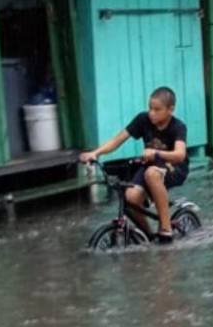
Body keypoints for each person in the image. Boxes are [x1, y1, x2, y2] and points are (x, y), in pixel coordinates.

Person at [80, 87, 188, 243]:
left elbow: (180, 155)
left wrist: (156, 153)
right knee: (130, 197)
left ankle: (166, 228)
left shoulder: (178, 127)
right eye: (150, 108)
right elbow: (117, 140)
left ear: (170, 110)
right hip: (150, 167)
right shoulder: (143, 120)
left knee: (151, 173)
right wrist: (95, 153)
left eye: (157, 110)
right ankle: (148, 236)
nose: (152, 113)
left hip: (174, 168)